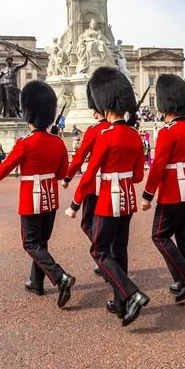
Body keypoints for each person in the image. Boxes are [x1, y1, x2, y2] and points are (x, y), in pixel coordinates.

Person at [0, 81, 75, 308]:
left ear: (29, 116)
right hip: (50, 199)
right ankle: (36, 282)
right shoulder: (58, 143)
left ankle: (60, 276)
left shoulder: (25, 143)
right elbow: (62, 174)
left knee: (31, 244)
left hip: (31, 199)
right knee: (41, 242)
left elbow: (5, 167)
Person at [65, 67, 149, 327]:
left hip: (107, 200)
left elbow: (90, 173)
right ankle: (120, 302)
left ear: (105, 105)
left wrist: (75, 203)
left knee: (99, 250)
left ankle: (131, 293)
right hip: (128, 199)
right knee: (119, 250)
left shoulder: (105, 136)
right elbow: (138, 176)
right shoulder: (135, 136)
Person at [140, 74, 185, 301]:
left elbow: (158, 165)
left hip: (173, 193)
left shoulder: (167, 131)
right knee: (184, 237)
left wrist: (147, 195)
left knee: (159, 235)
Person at [62, 85, 110, 277]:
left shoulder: (94, 130)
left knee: (87, 223)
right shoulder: (118, 129)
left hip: (95, 184)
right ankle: (107, 258)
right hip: (116, 185)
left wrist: (68, 177)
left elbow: (80, 157)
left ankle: (104, 256)